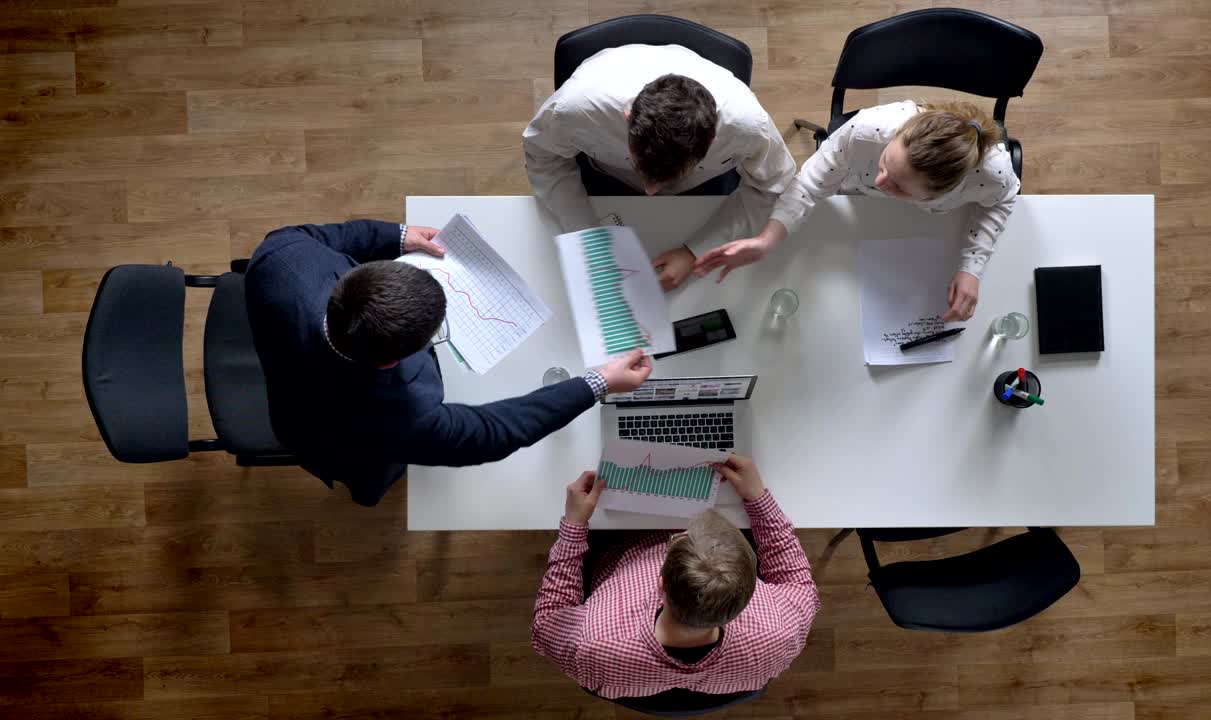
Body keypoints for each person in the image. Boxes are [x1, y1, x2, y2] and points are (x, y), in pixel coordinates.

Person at [244, 219, 653, 507]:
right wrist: (597, 383)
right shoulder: (402, 417)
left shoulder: (282, 261)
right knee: (369, 475)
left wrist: (396, 236)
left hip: (288, 377)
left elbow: (312, 236)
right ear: (390, 363)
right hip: (330, 439)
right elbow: (493, 432)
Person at [694, 100, 1021, 321]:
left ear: (943, 192)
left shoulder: (993, 175)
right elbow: (809, 184)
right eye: (885, 163)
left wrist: (972, 268)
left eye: (899, 187)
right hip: (852, 204)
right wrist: (767, 240)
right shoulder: (868, 131)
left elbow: (1003, 201)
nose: (880, 181)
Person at [531, 455, 819, 700]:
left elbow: (548, 620)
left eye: (679, 539)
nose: (680, 530)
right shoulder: (781, 634)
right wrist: (758, 498)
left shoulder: (591, 644)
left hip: (622, 544)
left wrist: (574, 524)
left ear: (660, 584)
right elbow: (796, 580)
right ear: (749, 596)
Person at [522, 44, 796, 291]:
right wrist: (586, 234)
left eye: (667, 178)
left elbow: (771, 186)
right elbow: (543, 156)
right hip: (605, 175)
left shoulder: (748, 128)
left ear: (713, 139)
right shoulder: (575, 110)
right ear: (628, 117)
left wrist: (696, 251)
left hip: (702, 191)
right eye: (640, 167)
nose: (650, 191)